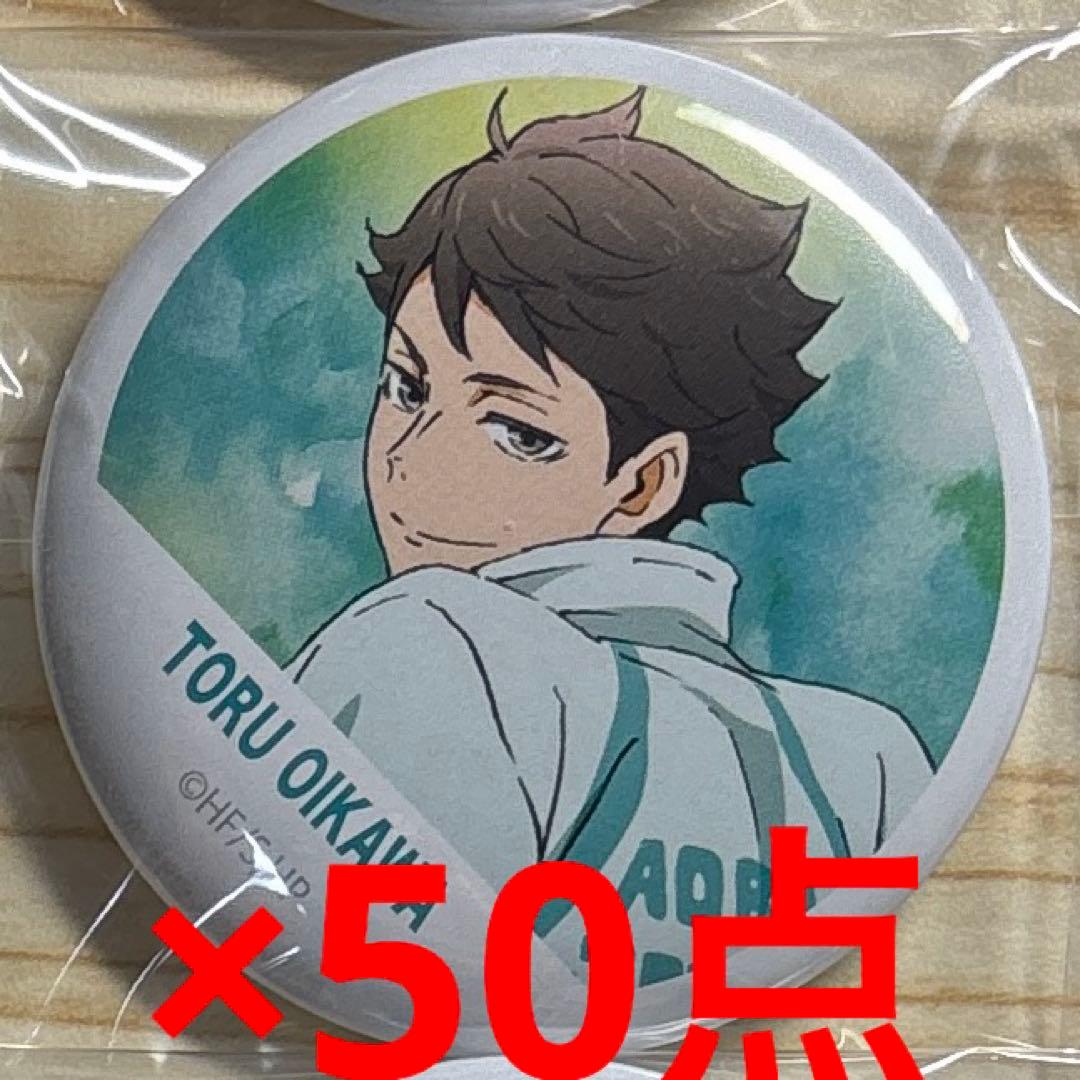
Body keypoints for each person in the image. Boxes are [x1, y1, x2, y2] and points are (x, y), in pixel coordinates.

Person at [287, 87, 933, 987]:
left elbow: (383, 979)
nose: (413, 463)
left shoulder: (425, 642)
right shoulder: (871, 758)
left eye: (516, 431)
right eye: (407, 387)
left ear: (642, 483)